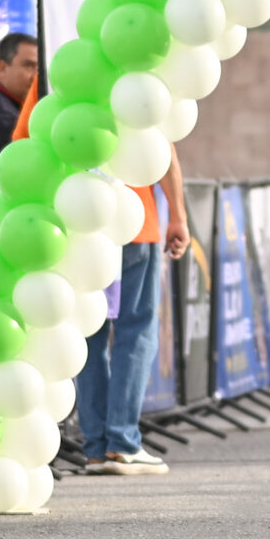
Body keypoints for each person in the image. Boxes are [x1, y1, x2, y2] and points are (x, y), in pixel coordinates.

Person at [76, 144, 190, 474]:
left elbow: (27, 141)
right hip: (134, 221)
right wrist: (178, 217)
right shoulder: (138, 104)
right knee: (136, 331)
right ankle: (122, 443)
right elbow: (163, 153)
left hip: (81, 224)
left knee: (90, 332)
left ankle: (97, 447)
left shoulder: (52, 102)